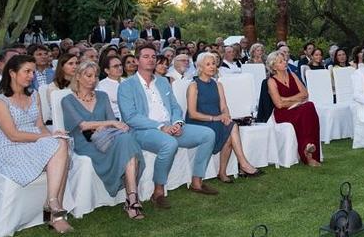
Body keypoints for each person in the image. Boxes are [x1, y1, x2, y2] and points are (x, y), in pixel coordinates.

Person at [117, 44, 218, 208]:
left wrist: (177, 123)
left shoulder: (163, 82)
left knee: (208, 134)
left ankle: (197, 181)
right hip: (143, 130)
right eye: (146, 56)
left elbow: (175, 107)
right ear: (136, 60)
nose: (151, 60)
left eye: (153, 57)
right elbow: (130, 117)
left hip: (170, 126)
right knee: (169, 143)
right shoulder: (127, 86)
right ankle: (158, 192)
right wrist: (161, 127)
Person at [0, 55, 73, 233]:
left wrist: (51, 135)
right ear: (12, 73)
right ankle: (54, 210)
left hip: (34, 143)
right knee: (59, 148)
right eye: (27, 71)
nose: (31, 76)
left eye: (33, 72)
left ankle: (51, 203)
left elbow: (40, 126)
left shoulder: (34, 95)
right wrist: (47, 139)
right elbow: (13, 135)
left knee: (62, 142)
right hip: (10, 149)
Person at [61, 61, 146, 219]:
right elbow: (83, 125)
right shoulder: (68, 100)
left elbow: (112, 121)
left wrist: (107, 124)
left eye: (95, 76)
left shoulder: (102, 96)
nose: (93, 79)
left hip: (107, 138)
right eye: (88, 75)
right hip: (83, 143)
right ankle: (132, 201)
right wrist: (109, 123)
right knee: (127, 144)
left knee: (126, 140)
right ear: (78, 77)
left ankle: (131, 197)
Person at [185, 52, 262, 182]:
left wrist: (226, 115)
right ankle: (239, 165)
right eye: (208, 64)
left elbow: (224, 107)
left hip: (217, 119)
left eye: (214, 64)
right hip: (199, 122)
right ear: (200, 67)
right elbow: (192, 113)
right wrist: (215, 118)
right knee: (231, 129)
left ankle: (230, 169)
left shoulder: (217, 84)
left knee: (231, 126)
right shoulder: (194, 86)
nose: (212, 67)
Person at [266, 51, 322, 166]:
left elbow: (305, 94)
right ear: (274, 66)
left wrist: (286, 99)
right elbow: (279, 104)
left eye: (284, 60)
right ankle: (308, 153)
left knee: (309, 106)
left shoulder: (293, 75)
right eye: (280, 61)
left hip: (298, 108)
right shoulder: (271, 81)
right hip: (283, 113)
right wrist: (297, 100)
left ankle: (308, 148)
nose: (285, 62)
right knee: (307, 108)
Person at [97, 55, 124, 119]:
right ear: (107, 70)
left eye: (120, 65)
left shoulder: (128, 82)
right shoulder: (101, 86)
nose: (120, 68)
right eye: (115, 66)